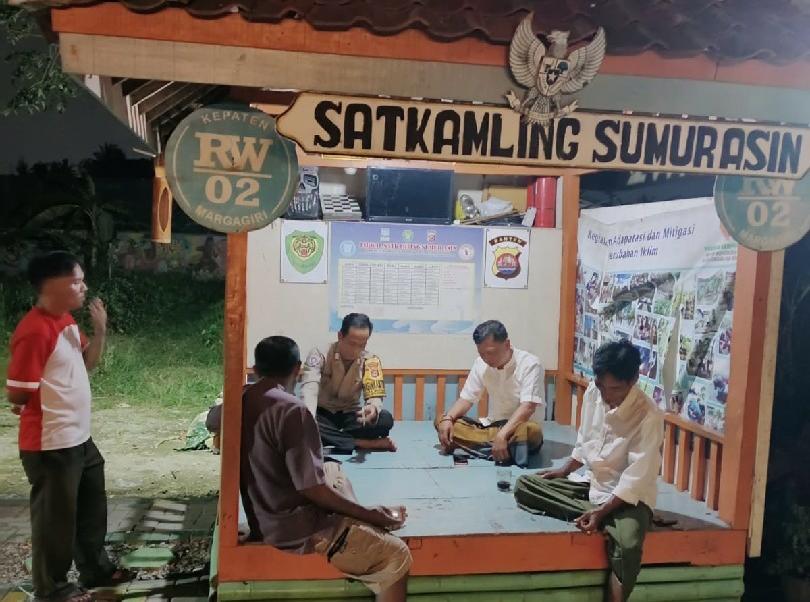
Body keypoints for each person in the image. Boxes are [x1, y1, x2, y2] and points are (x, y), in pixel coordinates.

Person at [240, 335, 411, 601]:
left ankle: (358, 520)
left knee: (332, 468)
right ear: (297, 368)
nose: (357, 347)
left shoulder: (243, 397)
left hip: (263, 513)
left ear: (255, 368)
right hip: (291, 527)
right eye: (353, 341)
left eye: (362, 342)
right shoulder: (314, 366)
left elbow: (375, 396)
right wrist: (370, 514)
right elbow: (312, 489)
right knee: (397, 555)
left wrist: (372, 408)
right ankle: (361, 520)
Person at [6, 252, 129, 602]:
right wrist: (29, 405)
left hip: (79, 437)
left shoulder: (66, 321)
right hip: (51, 443)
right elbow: (17, 391)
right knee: (54, 520)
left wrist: (100, 330)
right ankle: (53, 588)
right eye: (76, 281)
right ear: (51, 286)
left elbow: (87, 363)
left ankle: (95, 569)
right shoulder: (34, 330)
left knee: (91, 507)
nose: (83, 287)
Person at [514, 340, 664, 602]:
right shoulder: (594, 393)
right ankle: (601, 518)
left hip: (628, 498)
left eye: (615, 388)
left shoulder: (649, 415)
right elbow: (585, 440)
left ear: (633, 381)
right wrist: (563, 471)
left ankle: (605, 521)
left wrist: (602, 511)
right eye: (602, 385)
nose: (606, 395)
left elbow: (636, 477)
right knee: (525, 486)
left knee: (628, 544)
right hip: (592, 485)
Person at [435, 320, 544, 467]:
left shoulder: (530, 364)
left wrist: (503, 435)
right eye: (482, 354)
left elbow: (528, 407)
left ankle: (477, 448)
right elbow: (466, 399)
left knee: (531, 431)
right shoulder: (480, 363)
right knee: (441, 420)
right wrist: (448, 419)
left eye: (491, 353)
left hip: (518, 429)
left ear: (507, 344)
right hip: (492, 427)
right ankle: (504, 451)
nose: (486, 359)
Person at [300, 313, 396, 453]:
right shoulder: (319, 354)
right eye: (352, 344)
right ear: (340, 336)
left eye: (362, 345)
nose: (356, 350)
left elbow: (375, 397)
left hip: (350, 415)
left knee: (385, 419)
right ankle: (362, 443)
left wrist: (373, 409)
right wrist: (309, 420)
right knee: (298, 421)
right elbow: (310, 388)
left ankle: (334, 439)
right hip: (322, 414)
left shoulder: (371, 360)